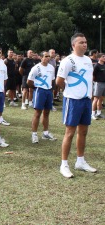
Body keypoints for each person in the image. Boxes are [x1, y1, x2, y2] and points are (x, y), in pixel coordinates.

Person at [56, 33, 97, 178]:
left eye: (85, 42)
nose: (85, 45)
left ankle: (80, 161)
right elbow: (59, 81)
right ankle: (64, 164)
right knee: (70, 132)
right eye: (81, 42)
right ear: (74, 45)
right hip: (73, 100)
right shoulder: (68, 61)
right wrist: (69, 90)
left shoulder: (88, 60)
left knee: (83, 131)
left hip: (86, 100)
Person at [27, 51, 57, 143]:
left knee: (47, 112)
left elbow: (52, 80)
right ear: (41, 57)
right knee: (37, 113)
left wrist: (51, 90)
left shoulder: (51, 67)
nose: (48, 58)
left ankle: (45, 133)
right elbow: (29, 81)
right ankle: (34, 134)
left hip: (48, 91)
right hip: (40, 91)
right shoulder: (36, 68)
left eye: (49, 56)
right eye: (45, 56)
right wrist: (36, 88)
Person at [91, 53, 105, 119]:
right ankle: (93, 114)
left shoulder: (104, 65)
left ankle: (99, 113)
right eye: (103, 56)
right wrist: (94, 83)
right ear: (99, 58)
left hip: (104, 83)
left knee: (101, 99)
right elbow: (93, 75)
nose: (104, 57)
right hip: (98, 83)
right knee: (96, 99)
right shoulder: (96, 66)